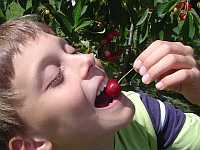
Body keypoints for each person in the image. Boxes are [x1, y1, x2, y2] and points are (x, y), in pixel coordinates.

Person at [0, 15, 199, 150]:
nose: (87, 58)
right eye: (56, 77)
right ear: (31, 145)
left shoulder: (144, 116)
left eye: (73, 51)